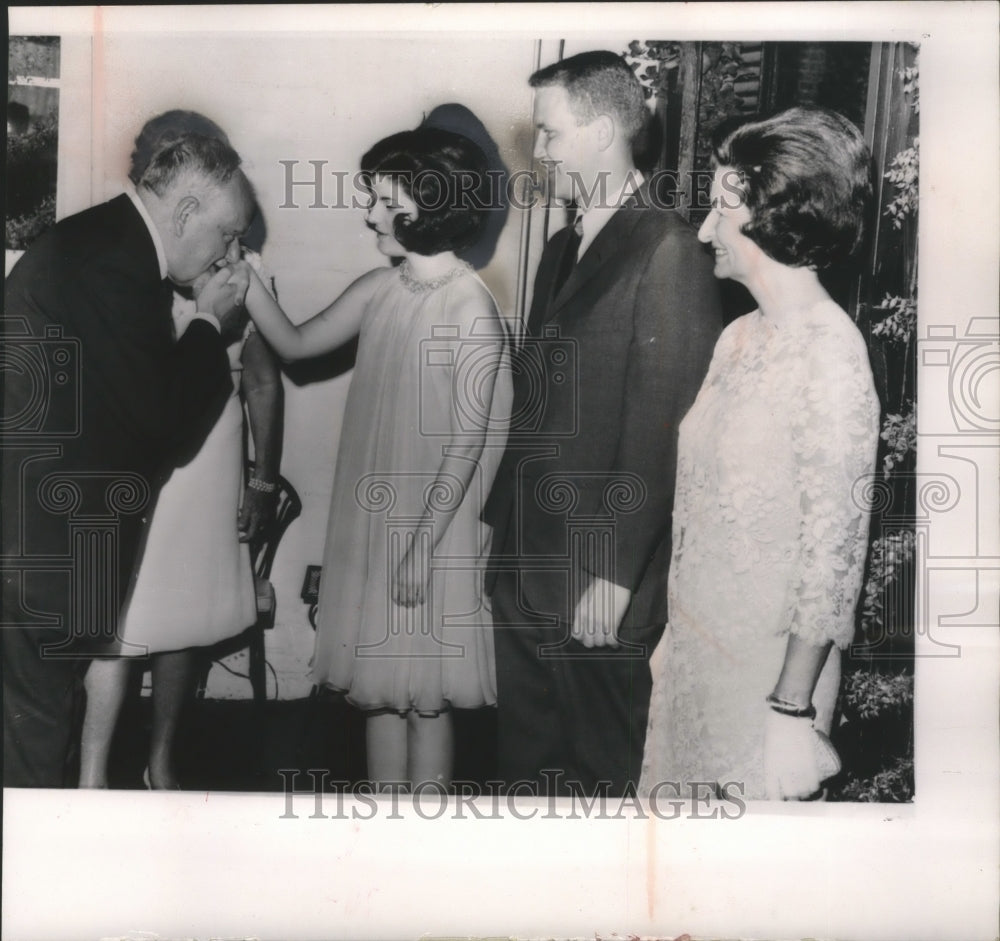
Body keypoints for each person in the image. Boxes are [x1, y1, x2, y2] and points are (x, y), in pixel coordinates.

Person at [240, 124, 512, 791]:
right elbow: (298, 343)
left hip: (431, 529)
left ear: (430, 203)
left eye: (384, 198)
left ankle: (425, 837)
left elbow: (467, 442)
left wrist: (422, 544)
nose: (368, 212)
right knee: (380, 691)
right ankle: (384, 833)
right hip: (376, 526)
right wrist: (240, 278)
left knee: (425, 695)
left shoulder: (471, 307)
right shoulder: (381, 288)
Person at [482, 50, 724, 796]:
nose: (543, 152)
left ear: (604, 129)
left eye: (551, 134)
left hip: (597, 579)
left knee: (600, 780)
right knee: (527, 774)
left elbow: (663, 429)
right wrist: (502, 534)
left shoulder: (670, 249)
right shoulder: (561, 245)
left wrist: (615, 573)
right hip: (528, 564)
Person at [638, 107, 881, 801]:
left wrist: (790, 710)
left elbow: (832, 559)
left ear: (777, 212)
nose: (705, 229)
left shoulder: (832, 356)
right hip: (693, 659)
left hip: (767, 686)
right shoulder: (738, 336)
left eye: (720, 208)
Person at [2, 133, 253, 787]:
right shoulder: (114, 263)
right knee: (32, 755)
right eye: (225, 235)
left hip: (42, 543)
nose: (227, 254)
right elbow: (159, 424)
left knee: (36, 741)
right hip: (44, 558)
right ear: (185, 213)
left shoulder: (105, 244)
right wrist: (207, 323)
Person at [76, 111, 284, 790]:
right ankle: (92, 772)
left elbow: (261, 380)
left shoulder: (240, 267)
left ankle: (161, 760)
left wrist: (263, 481)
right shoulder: (126, 260)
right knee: (118, 615)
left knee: (185, 617)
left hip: (208, 456)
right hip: (140, 459)